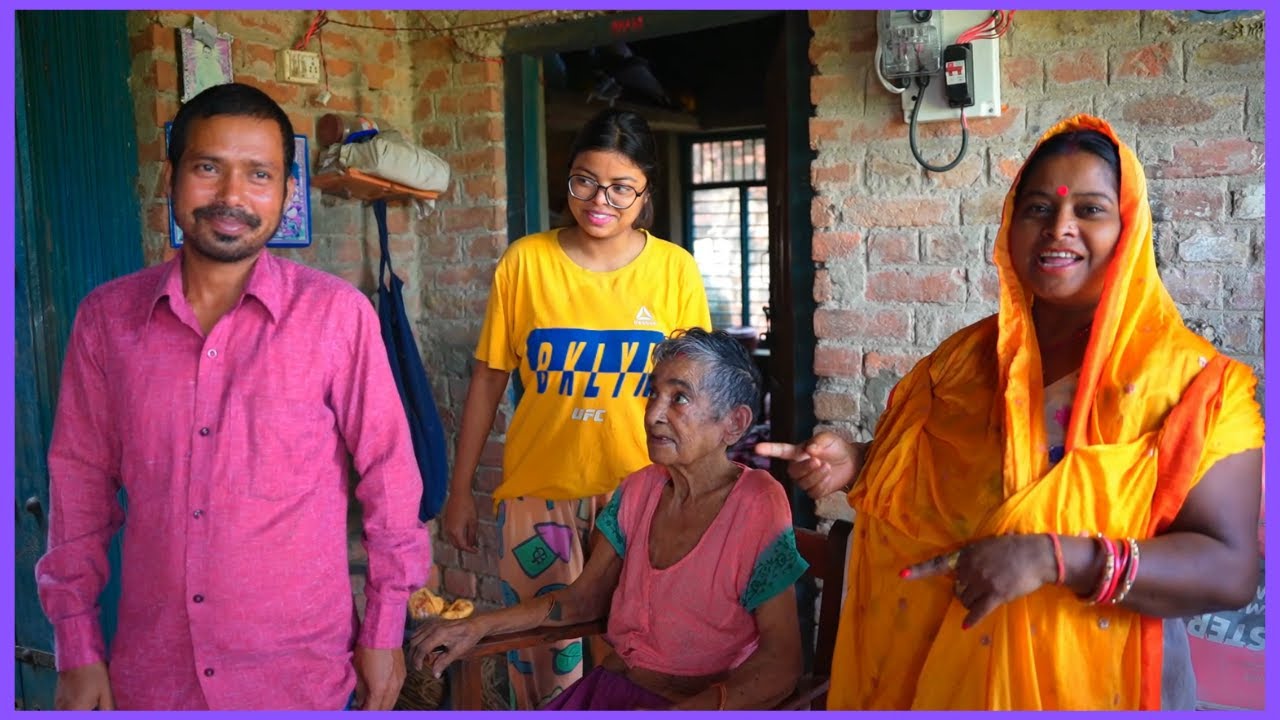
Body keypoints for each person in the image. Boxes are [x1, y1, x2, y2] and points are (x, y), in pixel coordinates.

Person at [758, 114, 1264, 709]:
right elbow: (953, 483)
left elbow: (1229, 571)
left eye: (1091, 210)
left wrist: (1056, 559)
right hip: (940, 674)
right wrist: (859, 460)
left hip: (1097, 685)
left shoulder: (1195, 385)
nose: (1060, 229)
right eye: (1039, 209)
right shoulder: (962, 361)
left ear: (1129, 229)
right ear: (1011, 224)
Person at [35, 82, 430, 710]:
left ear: (286, 193)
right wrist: (77, 647)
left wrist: (385, 628)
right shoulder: (107, 321)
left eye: (259, 174)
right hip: (155, 677)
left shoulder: (337, 318)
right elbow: (78, 487)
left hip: (300, 676)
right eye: (208, 167)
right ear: (172, 179)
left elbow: (390, 477)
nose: (232, 197)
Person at [441, 108, 712, 708]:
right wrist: (460, 491)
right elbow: (488, 381)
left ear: (645, 192)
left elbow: (695, 391)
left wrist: (701, 492)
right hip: (541, 494)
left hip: (644, 494)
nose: (600, 200)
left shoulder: (674, 269)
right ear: (568, 178)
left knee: (635, 657)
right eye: (585, 180)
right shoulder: (525, 263)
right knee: (543, 662)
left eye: (621, 188)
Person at [414, 328, 806, 709]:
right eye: (653, 393)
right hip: (613, 690)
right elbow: (581, 600)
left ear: (734, 423)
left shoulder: (757, 502)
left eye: (679, 398)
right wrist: (478, 625)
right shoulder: (640, 490)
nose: (653, 414)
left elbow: (782, 663)